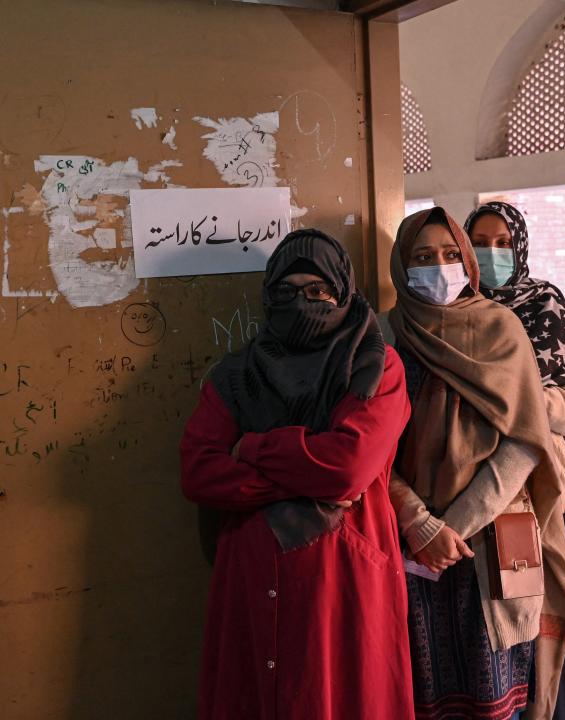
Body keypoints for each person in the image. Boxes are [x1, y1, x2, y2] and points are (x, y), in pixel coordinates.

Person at [180, 229, 414, 720]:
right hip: (252, 568)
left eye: (317, 292)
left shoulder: (375, 367)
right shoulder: (238, 374)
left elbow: (349, 468)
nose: (301, 304)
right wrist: (306, 470)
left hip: (346, 573)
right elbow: (199, 473)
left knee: (347, 695)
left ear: (342, 292)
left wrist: (254, 448)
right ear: (268, 297)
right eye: (286, 293)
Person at [387, 207, 565, 720]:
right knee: (422, 693)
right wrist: (417, 521)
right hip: (411, 548)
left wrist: (450, 527)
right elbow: (373, 449)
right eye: (423, 257)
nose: (440, 267)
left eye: (452, 255)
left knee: (499, 695)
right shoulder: (386, 337)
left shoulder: (502, 330)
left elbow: (525, 441)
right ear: (401, 266)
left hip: (491, 537)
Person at [465, 201, 565, 720]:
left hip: (539, 495)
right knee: (497, 629)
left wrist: (512, 400)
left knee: (545, 620)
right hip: (478, 494)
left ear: (519, 246)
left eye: (502, 242)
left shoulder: (544, 304)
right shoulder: (458, 309)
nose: (491, 252)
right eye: (479, 242)